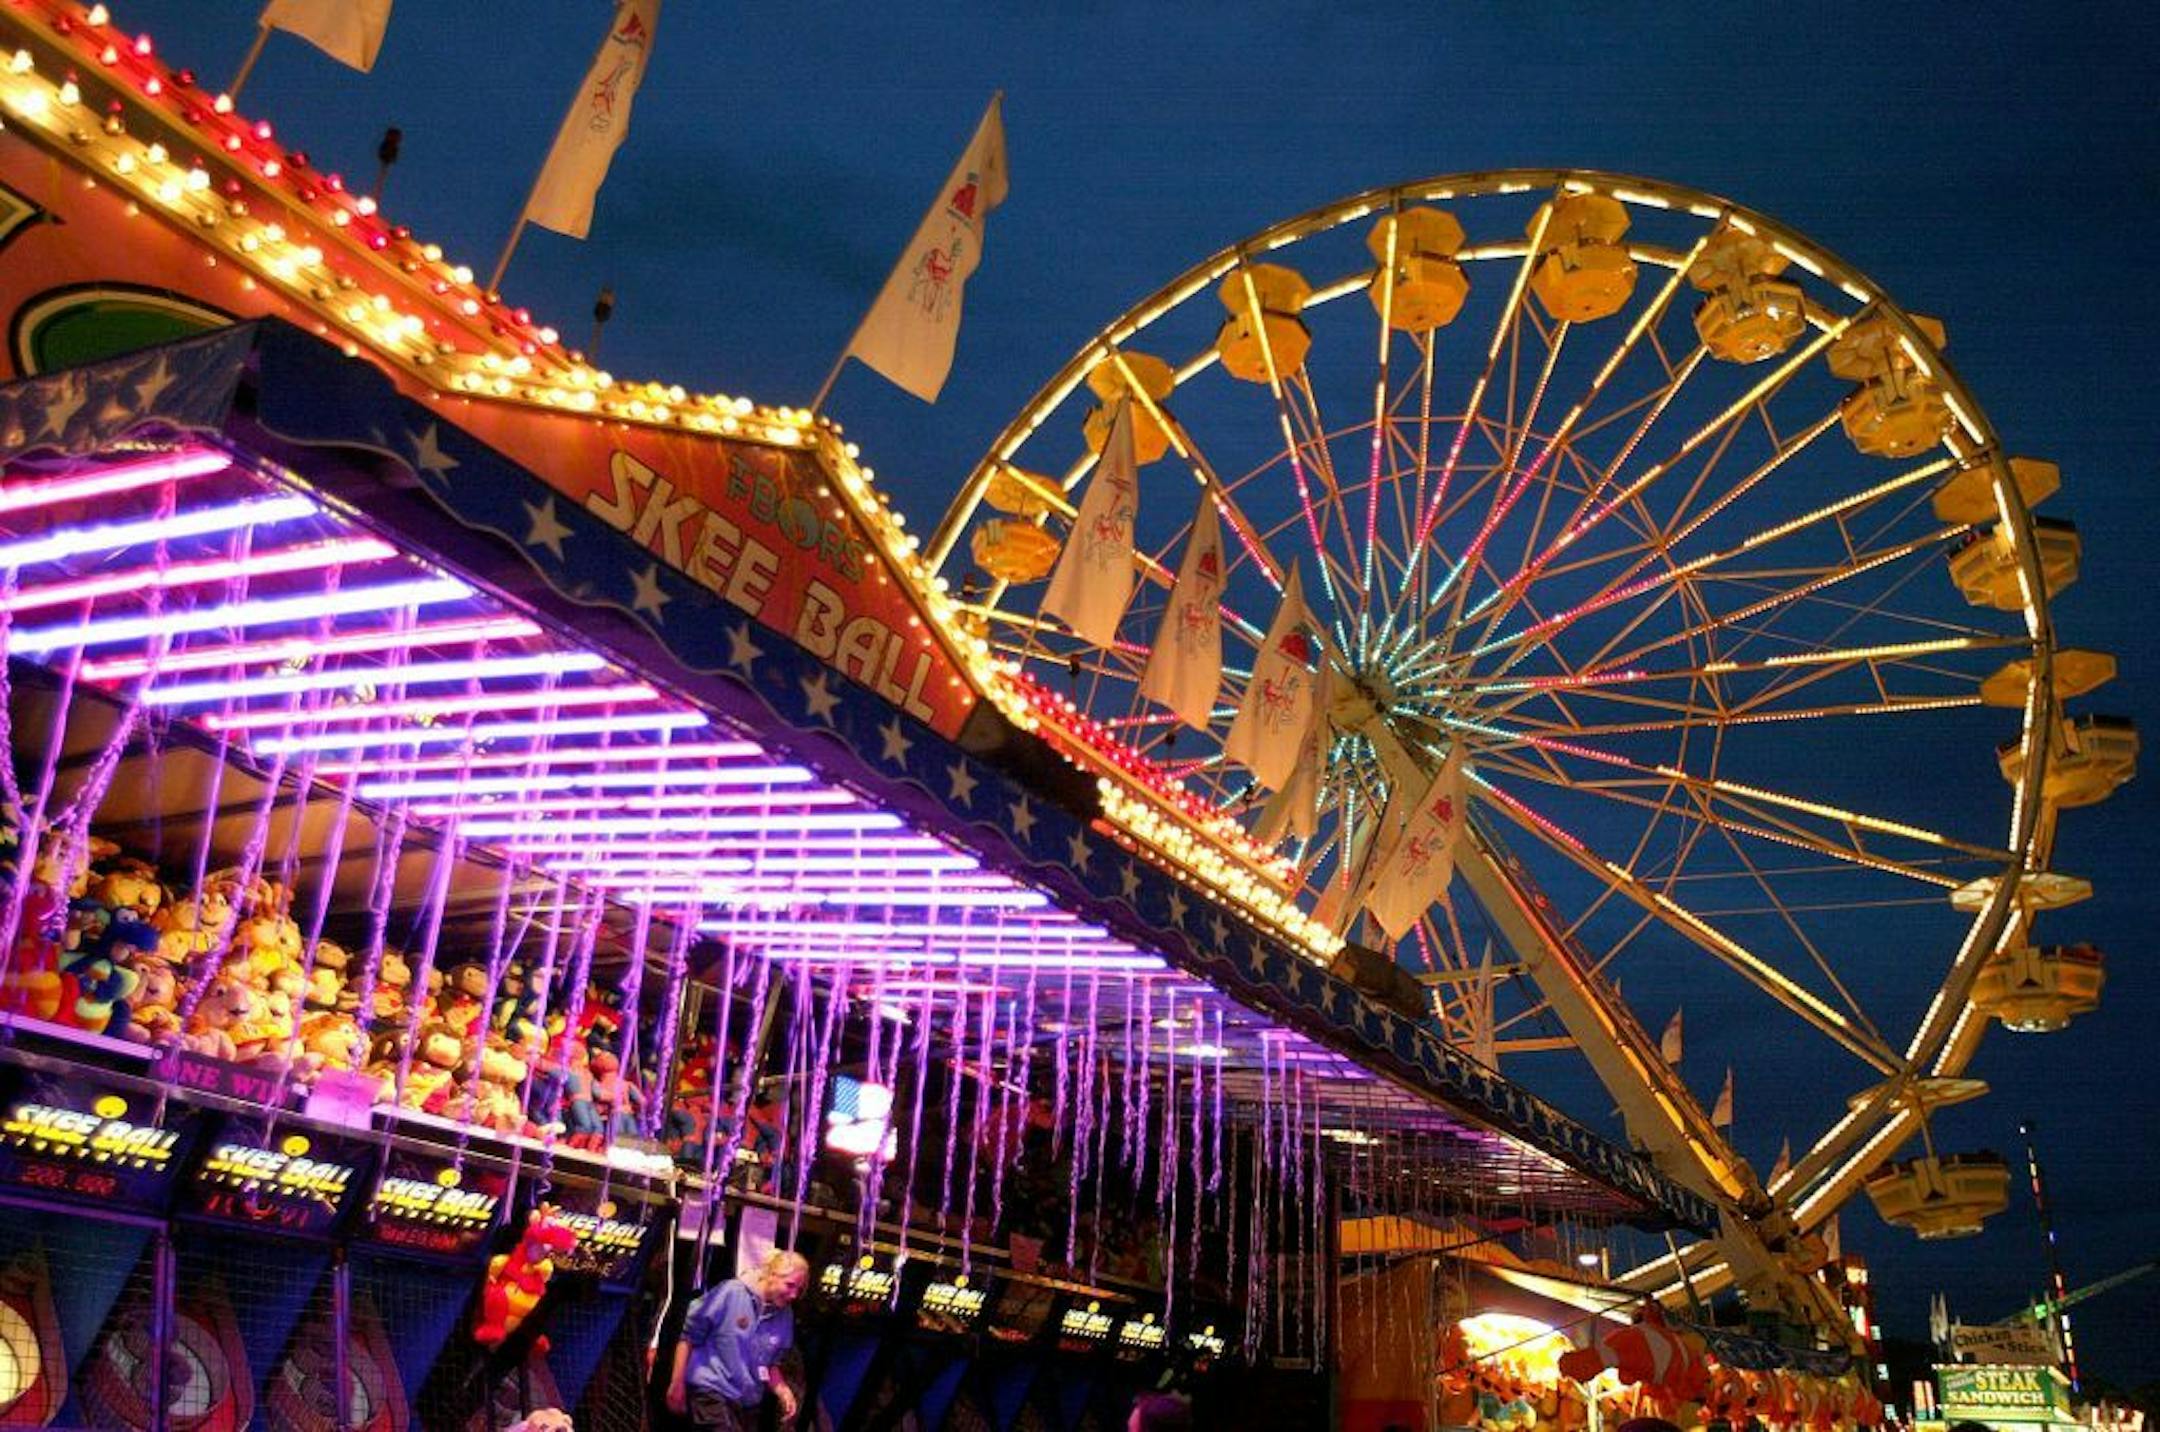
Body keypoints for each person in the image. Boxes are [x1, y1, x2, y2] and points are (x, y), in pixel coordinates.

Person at [668, 1249, 812, 1430]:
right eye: (790, 1285)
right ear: (771, 1275)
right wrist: (677, 1382)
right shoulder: (731, 1293)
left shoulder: (785, 1316)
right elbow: (688, 1336)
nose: (794, 1295)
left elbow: (770, 1365)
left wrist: (783, 1390)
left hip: (746, 1403)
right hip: (711, 1390)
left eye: (799, 1290)